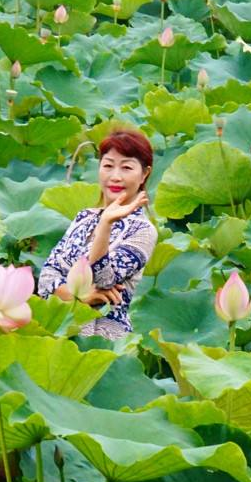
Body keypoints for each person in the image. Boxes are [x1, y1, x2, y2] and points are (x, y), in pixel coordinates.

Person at [38, 129, 158, 339]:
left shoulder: (143, 231)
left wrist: (105, 224)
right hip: (59, 330)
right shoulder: (84, 217)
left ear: (144, 174)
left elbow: (104, 280)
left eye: (127, 167)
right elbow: (46, 279)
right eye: (108, 165)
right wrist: (82, 298)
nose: (115, 176)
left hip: (105, 337)